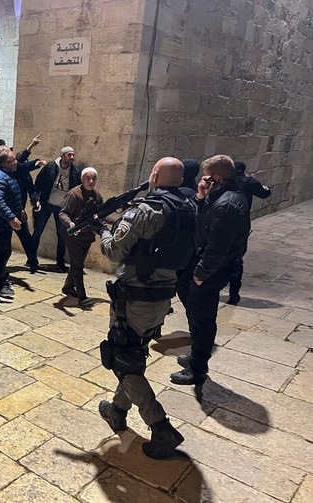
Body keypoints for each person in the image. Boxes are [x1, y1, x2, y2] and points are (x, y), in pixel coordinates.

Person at [94, 157, 197, 459]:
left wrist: (103, 230)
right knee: (133, 354)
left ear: (154, 175)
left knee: (122, 360)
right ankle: (116, 410)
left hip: (135, 297)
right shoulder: (189, 209)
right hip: (163, 296)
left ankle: (160, 426)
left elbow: (114, 251)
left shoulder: (145, 211)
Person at [172, 155, 250, 385]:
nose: (202, 180)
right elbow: (201, 221)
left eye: (206, 177)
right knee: (196, 314)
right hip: (202, 267)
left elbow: (217, 248)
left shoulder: (227, 205)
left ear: (216, 177)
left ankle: (198, 369)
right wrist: (200, 196)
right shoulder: (220, 198)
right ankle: (196, 355)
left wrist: (199, 275)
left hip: (210, 272)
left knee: (203, 319)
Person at [0, 148, 36, 297]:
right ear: (8, 162)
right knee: (2, 252)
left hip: (7, 221)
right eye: (14, 160)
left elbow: (13, 198)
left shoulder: (8, 174)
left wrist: (20, 212)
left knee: (3, 251)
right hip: (1, 222)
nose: (17, 162)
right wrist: (10, 217)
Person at [227, 161, 271, 305]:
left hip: (221, 220)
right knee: (237, 259)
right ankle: (234, 295)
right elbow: (265, 193)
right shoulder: (250, 182)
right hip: (240, 225)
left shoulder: (224, 179)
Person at [59, 167, 103, 307]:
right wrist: (70, 223)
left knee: (76, 264)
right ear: (82, 179)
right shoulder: (74, 194)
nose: (91, 181)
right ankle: (82, 297)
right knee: (78, 266)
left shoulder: (97, 194)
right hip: (75, 237)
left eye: (93, 178)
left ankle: (68, 287)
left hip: (87, 236)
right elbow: (63, 213)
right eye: (88, 178)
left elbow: (102, 214)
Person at [32, 146, 81, 272]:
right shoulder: (50, 167)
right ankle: (31, 259)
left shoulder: (75, 172)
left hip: (62, 207)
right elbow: (38, 183)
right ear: (62, 155)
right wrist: (36, 200)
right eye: (69, 155)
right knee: (38, 231)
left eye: (73, 155)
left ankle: (60, 262)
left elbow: (76, 191)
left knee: (62, 235)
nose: (71, 158)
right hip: (46, 203)